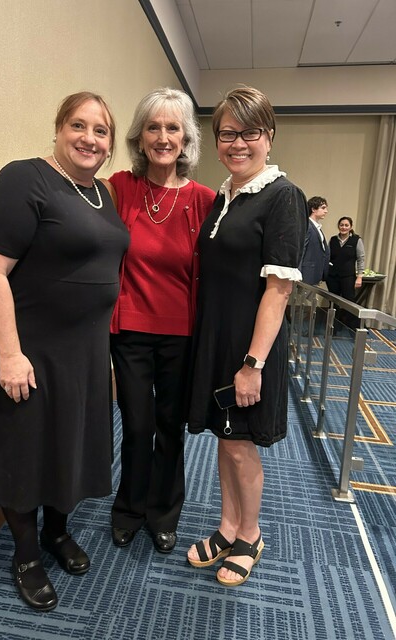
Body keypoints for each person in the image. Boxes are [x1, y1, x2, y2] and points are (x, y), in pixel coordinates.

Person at [0, 92, 129, 611]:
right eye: (78, 126)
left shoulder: (102, 193)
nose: (89, 138)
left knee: (69, 444)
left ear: (109, 143)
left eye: (100, 130)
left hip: (84, 350)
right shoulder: (24, 179)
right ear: (58, 129)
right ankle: (25, 555)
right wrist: (10, 354)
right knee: (25, 449)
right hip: (29, 346)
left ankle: (57, 532)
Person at [186, 86, 307, 586]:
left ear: (269, 136)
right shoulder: (225, 196)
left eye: (249, 132)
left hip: (250, 348)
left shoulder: (283, 197)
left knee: (241, 445)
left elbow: (278, 292)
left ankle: (250, 535)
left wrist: (252, 364)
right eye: (227, 133)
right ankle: (228, 526)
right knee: (224, 437)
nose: (238, 143)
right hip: (217, 338)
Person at [108, 88, 215, 553]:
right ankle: (129, 509)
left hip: (182, 333)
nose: (163, 137)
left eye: (173, 128)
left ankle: (164, 513)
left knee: (170, 425)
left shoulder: (204, 199)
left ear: (186, 138)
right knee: (136, 425)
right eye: (153, 127)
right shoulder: (120, 187)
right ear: (140, 137)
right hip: (130, 330)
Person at [327, 216, 365, 329]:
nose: (343, 227)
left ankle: (354, 327)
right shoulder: (333, 240)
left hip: (348, 276)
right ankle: (333, 327)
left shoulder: (356, 240)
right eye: (341, 225)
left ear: (351, 227)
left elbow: (361, 259)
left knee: (349, 301)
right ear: (338, 226)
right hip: (332, 276)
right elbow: (327, 257)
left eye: (346, 225)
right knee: (333, 302)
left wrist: (359, 277)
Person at [300, 196, 330, 285]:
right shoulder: (308, 226)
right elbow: (301, 249)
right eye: (323, 208)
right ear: (313, 209)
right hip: (306, 274)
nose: (326, 211)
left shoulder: (317, 228)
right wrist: (298, 271)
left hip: (315, 273)